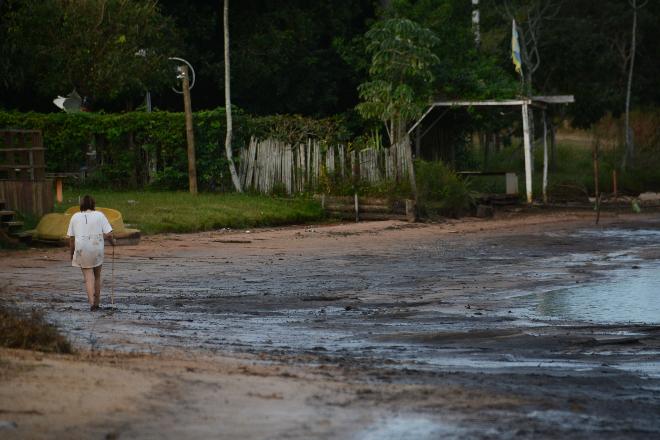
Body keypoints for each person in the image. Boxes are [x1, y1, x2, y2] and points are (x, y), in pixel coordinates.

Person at [66, 195, 115, 311]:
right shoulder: (100, 215)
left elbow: (71, 239)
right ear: (93, 204)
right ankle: (97, 303)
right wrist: (112, 243)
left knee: (88, 278)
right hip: (96, 247)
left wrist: (71, 253)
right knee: (97, 276)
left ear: (81, 204)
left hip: (81, 248)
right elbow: (109, 234)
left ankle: (92, 303)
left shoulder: (75, 217)